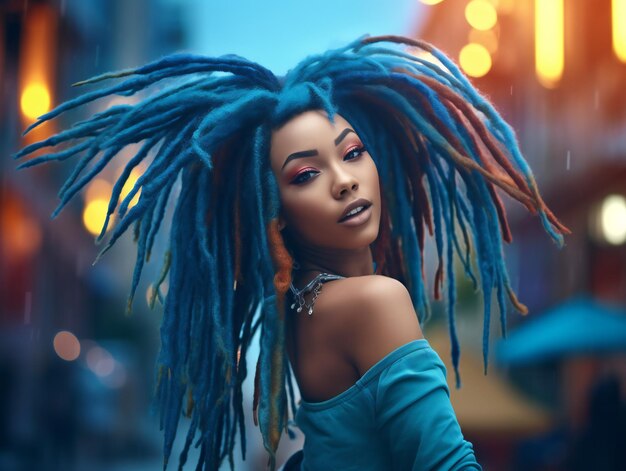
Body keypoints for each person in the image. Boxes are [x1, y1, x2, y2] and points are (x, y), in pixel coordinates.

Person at [16, 35, 568, 470]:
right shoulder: (375, 302)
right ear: (272, 211)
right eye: (306, 173)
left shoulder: (301, 306)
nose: (345, 181)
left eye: (352, 152)